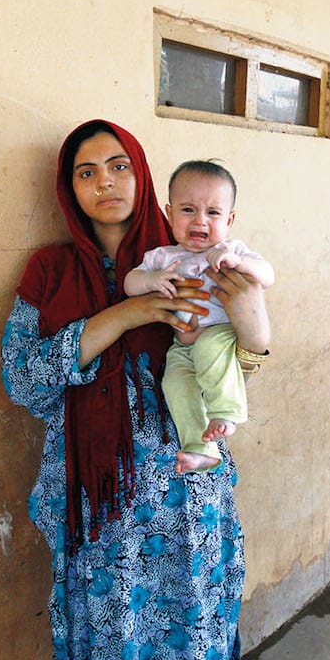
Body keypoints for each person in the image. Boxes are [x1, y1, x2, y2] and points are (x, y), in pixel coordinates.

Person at [1, 120, 270, 660]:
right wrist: (125, 315)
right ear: (69, 189)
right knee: (114, 643)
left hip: (185, 495)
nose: (105, 182)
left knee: (192, 636)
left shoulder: (190, 257)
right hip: (97, 506)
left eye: (119, 166)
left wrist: (256, 332)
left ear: (142, 175)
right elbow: (23, 379)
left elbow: (228, 363)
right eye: (87, 172)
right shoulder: (50, 272)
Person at [125, 161, 275, 474]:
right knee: (175, 383)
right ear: (169, 213)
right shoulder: (163, 257)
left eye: (213, 213)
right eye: (188, 210)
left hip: (220, 334)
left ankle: (226, 413)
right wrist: (152, 281)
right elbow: (130, 283)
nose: (200, 221)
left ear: (230, 219)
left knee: (209, 350)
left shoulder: (230, 249)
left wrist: (237, 262)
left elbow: (267, 275)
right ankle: (200, 448)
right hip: (181, 346)